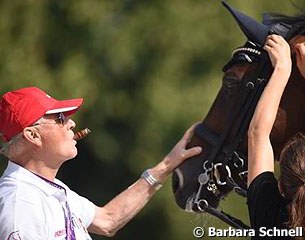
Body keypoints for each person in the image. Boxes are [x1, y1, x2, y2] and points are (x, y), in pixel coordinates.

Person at [0, 86, 202, 240]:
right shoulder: (21, 205)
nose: (72, 123)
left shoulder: (51, 188)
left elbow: (109, 219)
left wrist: (167, 165)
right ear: (33, 135)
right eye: (60, 118)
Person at [247, 34, 305, 239]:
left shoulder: (269, 222)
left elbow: (258, 134)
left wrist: (282, 69)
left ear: (280, 186)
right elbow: (257, 135)